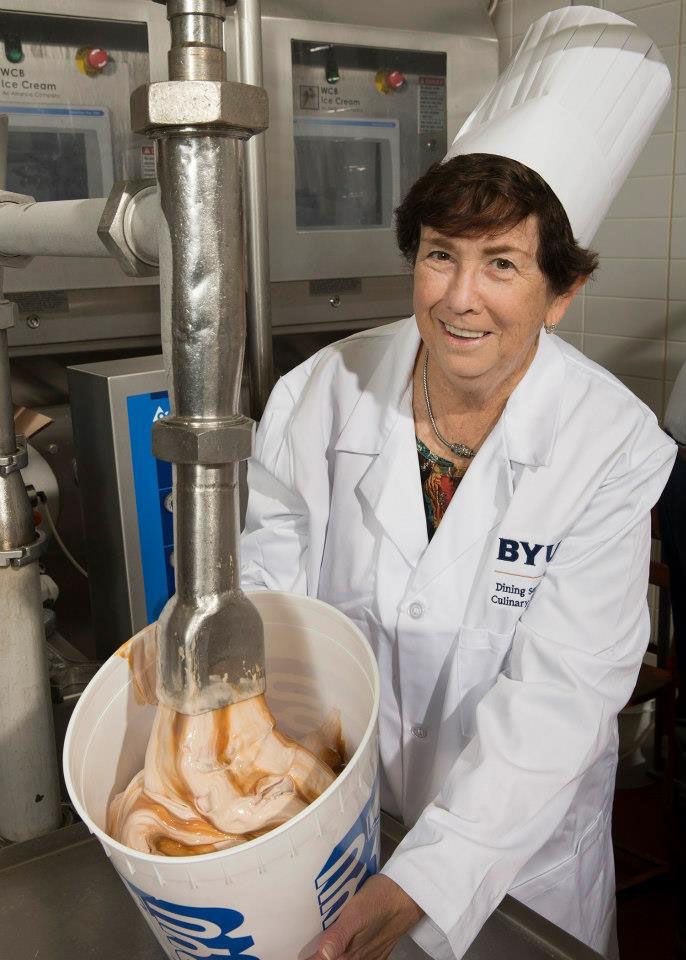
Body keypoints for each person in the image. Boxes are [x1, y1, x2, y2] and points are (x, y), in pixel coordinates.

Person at [241, 8, 675, 960]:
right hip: (332, 826)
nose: (460, 295)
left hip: (520, 860)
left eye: (503, 264)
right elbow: (273, 615)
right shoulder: (320, 394)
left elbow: (563, 695)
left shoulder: (610, 444)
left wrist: (426, 874)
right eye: (441, 253)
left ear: (560, 294)